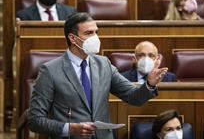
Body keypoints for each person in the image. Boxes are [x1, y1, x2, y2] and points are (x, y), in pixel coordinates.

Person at [27, 12, 168, 139]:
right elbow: (35, 120)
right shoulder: (50, 71)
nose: (95, 37)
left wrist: (149, 84)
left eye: (96, 32)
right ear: (73, 38)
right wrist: (70, 129)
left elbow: (133, 96)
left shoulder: (104, 64)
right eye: (89, 33)